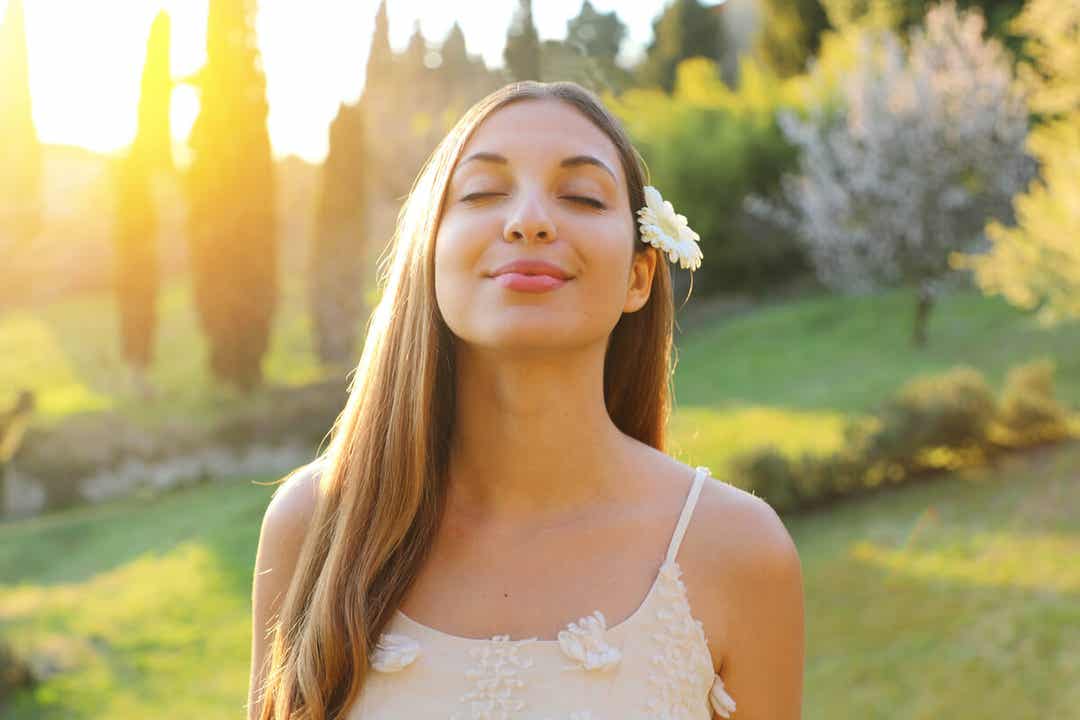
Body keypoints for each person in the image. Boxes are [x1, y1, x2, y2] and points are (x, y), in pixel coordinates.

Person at [248, 80, 804, 720]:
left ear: (637, 277)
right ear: (428, 255)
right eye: (483, 192)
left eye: (582, 196)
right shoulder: (313, 527)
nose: (530, 220)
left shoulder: (739, 551)